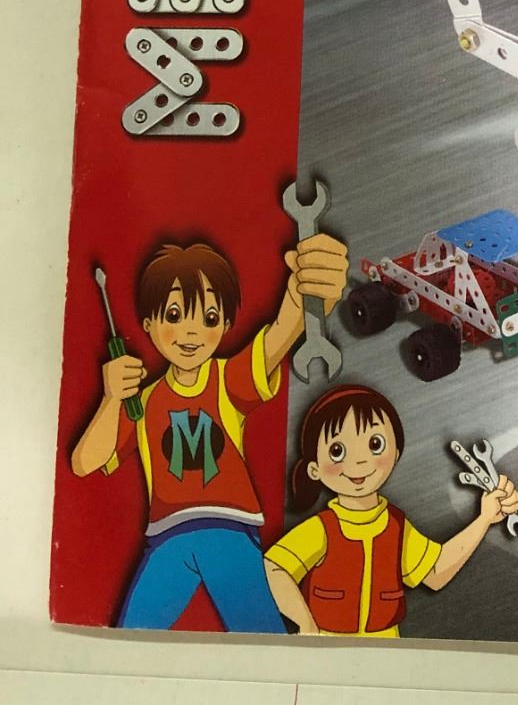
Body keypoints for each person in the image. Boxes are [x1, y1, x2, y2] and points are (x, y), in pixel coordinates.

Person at [70, 232, 349, 631]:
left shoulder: (227, 380)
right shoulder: (141, 403)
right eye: (174, 315)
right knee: (131, 639)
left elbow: (279, 336)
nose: (191, 332)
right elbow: (84, 463)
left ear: (225, 324)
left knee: (263, 641)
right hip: (167, 538)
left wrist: (302, 292)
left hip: (227, 529)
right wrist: (111, 397)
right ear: (148, 323)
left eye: (209, 318)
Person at [264, 385, 518, 637]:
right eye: (337, 451)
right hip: (330, 649)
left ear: (395, 453)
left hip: (386, 649)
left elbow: (435, 573)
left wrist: (484, 518)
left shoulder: (396, 528)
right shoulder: (322, 530)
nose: (359, 461)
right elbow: (273, 568)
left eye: (375, 444)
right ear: (314, 469)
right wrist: (306, 624)